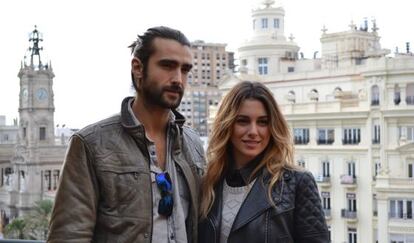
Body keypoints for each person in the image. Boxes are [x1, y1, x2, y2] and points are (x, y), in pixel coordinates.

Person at [47, 26, 205, 243]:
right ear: (138, 68)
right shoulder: (92, 144)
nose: (178, 78)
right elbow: (69, 235)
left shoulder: (193, 144)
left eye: (185, 69)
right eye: (167, 66)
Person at [198, 81, 329, 243]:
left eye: (263, 122)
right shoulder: (209, 183)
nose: (253, 132)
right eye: (243, 121)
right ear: (227, 125)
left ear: (273, 127)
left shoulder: (296, 183)